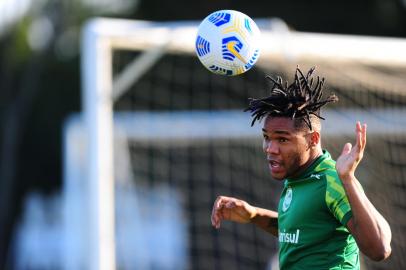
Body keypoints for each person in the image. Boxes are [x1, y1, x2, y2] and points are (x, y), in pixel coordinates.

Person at [211, 67, 392, 269]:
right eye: (266, 138)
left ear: (312, 139)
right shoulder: (297, 177)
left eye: (282, 139)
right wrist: (254, 215)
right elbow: (303, 229)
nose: (270, 148)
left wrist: (348, 178)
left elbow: (380, 249)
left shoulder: (332, 179)